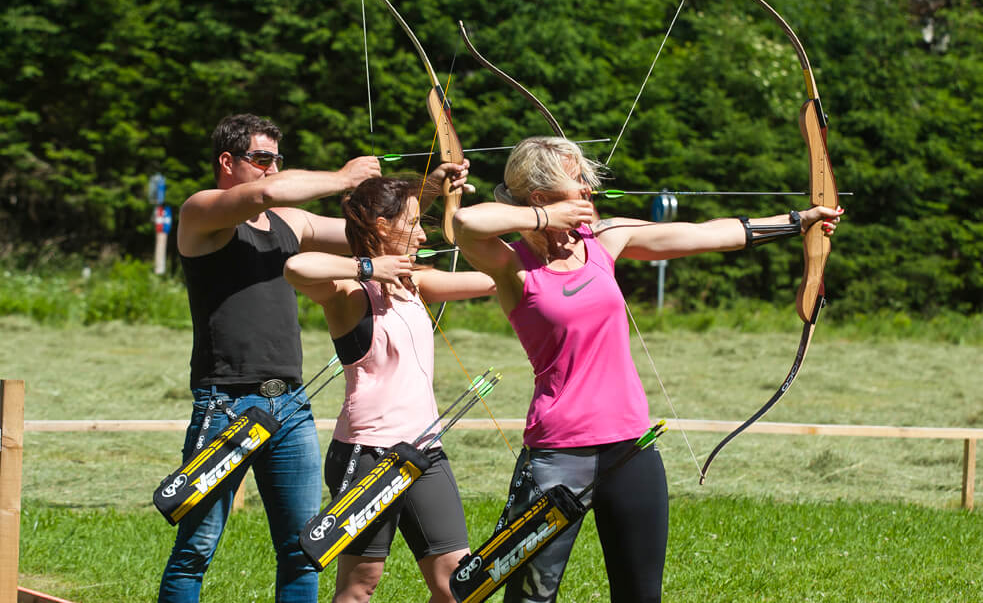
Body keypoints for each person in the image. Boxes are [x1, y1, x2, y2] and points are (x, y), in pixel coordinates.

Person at [451, 136, 843, 603]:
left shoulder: (605, 239)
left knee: (641, 595)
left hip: (631, 448)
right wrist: (545, 219)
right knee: (532, 596)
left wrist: (797, 221)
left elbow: (704, 234)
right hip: (558, 453)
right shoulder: (513, 263)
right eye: (577, 182)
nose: (588, 191)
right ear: (539, 197)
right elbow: (464, 221)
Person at [158, 112, 441, 603]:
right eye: (260, 158)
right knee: (196, 549)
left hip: (289, 405)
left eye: (276, 160)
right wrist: (343, 178)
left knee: (304, 548)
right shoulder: (201, 211)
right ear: (227, 161)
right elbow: (268, 193)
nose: (270, 170)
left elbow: (368, 230)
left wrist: (430, 191)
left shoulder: (290, 222)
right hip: (225, 401)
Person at [283, 175, 495, 603]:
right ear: (381, 225)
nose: (422, 233)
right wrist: (368, 266)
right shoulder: (349, 291)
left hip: (425, 452)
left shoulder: (417, 282)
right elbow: (295, 268)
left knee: (458, 585)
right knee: (360, 587)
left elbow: (493, 279)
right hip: (369, 456)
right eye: (413, 222)